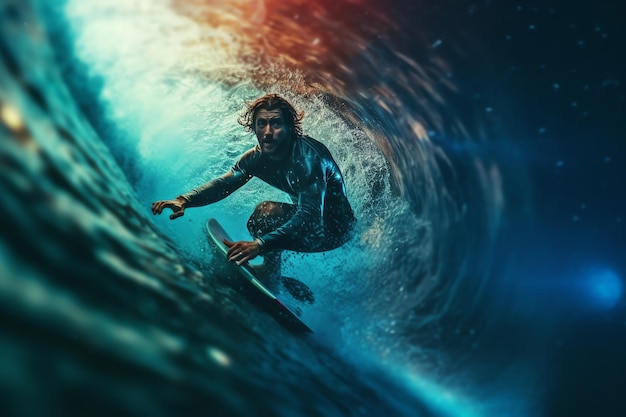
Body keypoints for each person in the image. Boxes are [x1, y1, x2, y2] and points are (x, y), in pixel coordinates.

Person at [151, 94, 356, 291]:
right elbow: (224, 184)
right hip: (310, 223)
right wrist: (184, 200)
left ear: (290, 128)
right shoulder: (257, 158)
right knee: (259, 220)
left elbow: (310, 217)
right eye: (261, 124)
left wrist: (261, 244)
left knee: (267, 213)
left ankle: (270, 274)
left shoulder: (308, 160)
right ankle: (272, 273)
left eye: (276, 124)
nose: (267, 132)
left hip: (334, 230)